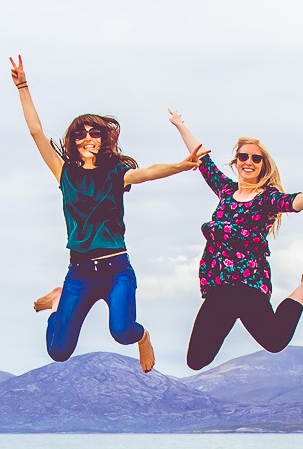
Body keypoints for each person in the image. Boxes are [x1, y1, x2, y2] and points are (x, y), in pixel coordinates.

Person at [10, 55, 203, 372]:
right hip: (79, 273)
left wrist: (181, 166)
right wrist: (23, 86)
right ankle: (59, 302)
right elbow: (35, 131)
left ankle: (143, 337)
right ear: (73, 142)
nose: (87, 138)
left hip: (116, 269)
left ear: (104, 139)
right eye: (80, 134)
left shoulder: (116, 173)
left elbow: (150, 172)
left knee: (122, 332)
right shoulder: (64, 173)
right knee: (59, 352)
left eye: (94, 133)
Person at [167, 110, 303, 371]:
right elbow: (201, 158)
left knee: (275, 341)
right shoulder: (225, 190)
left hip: (249, 284)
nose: (249, 162)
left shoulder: (267, 198)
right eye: (243, 157)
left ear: (263, 165)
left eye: (255, 158)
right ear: (235, 162)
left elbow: (294, 201)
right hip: (218, 285)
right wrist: (180, 125)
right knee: (196, 361)